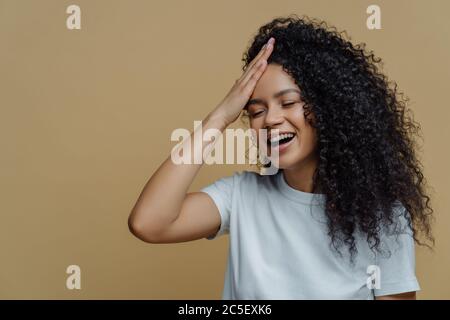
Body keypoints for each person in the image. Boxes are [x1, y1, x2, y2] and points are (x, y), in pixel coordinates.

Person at [128, 14, 434, 300]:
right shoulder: (241, 196)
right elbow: (148, 222)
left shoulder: (381, 217)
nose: (271, 119)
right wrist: (219, 118)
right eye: (256, 111)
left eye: (288, 103)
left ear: (329, 108)